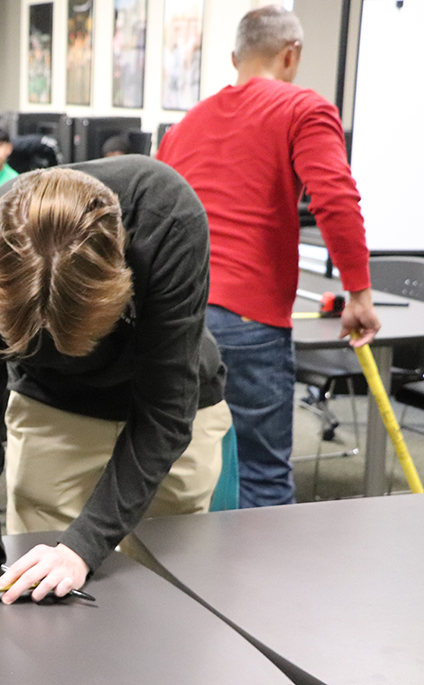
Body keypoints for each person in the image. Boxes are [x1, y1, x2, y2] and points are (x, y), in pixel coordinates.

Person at [0, 158, 231, 603]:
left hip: (169, 401)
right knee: (39, 594)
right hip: (51, 406)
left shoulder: (167, 219)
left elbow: (165, 411)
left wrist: (83, 547)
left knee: (168, 592)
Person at [156, 5, 380, 508]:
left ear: (235, 57)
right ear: (291, 54)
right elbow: (335, 198)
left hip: (173, 315)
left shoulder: (186, 125)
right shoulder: (304, 107)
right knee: (260, 478)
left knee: (178, 473)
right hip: (247, 320)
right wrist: (359, 294)